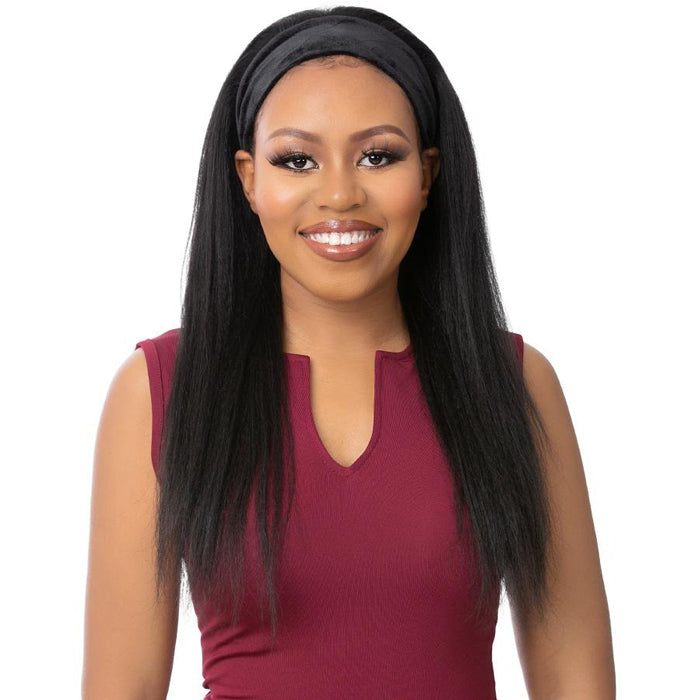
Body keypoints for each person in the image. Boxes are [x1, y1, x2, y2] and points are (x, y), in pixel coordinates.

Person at [82, 6, 615, 699]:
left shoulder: (512, 386)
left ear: (427, 174)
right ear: (248, 178)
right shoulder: (161, 390)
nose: (339, 194)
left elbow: (576, 681)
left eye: (378, 156)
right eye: (297, 160)